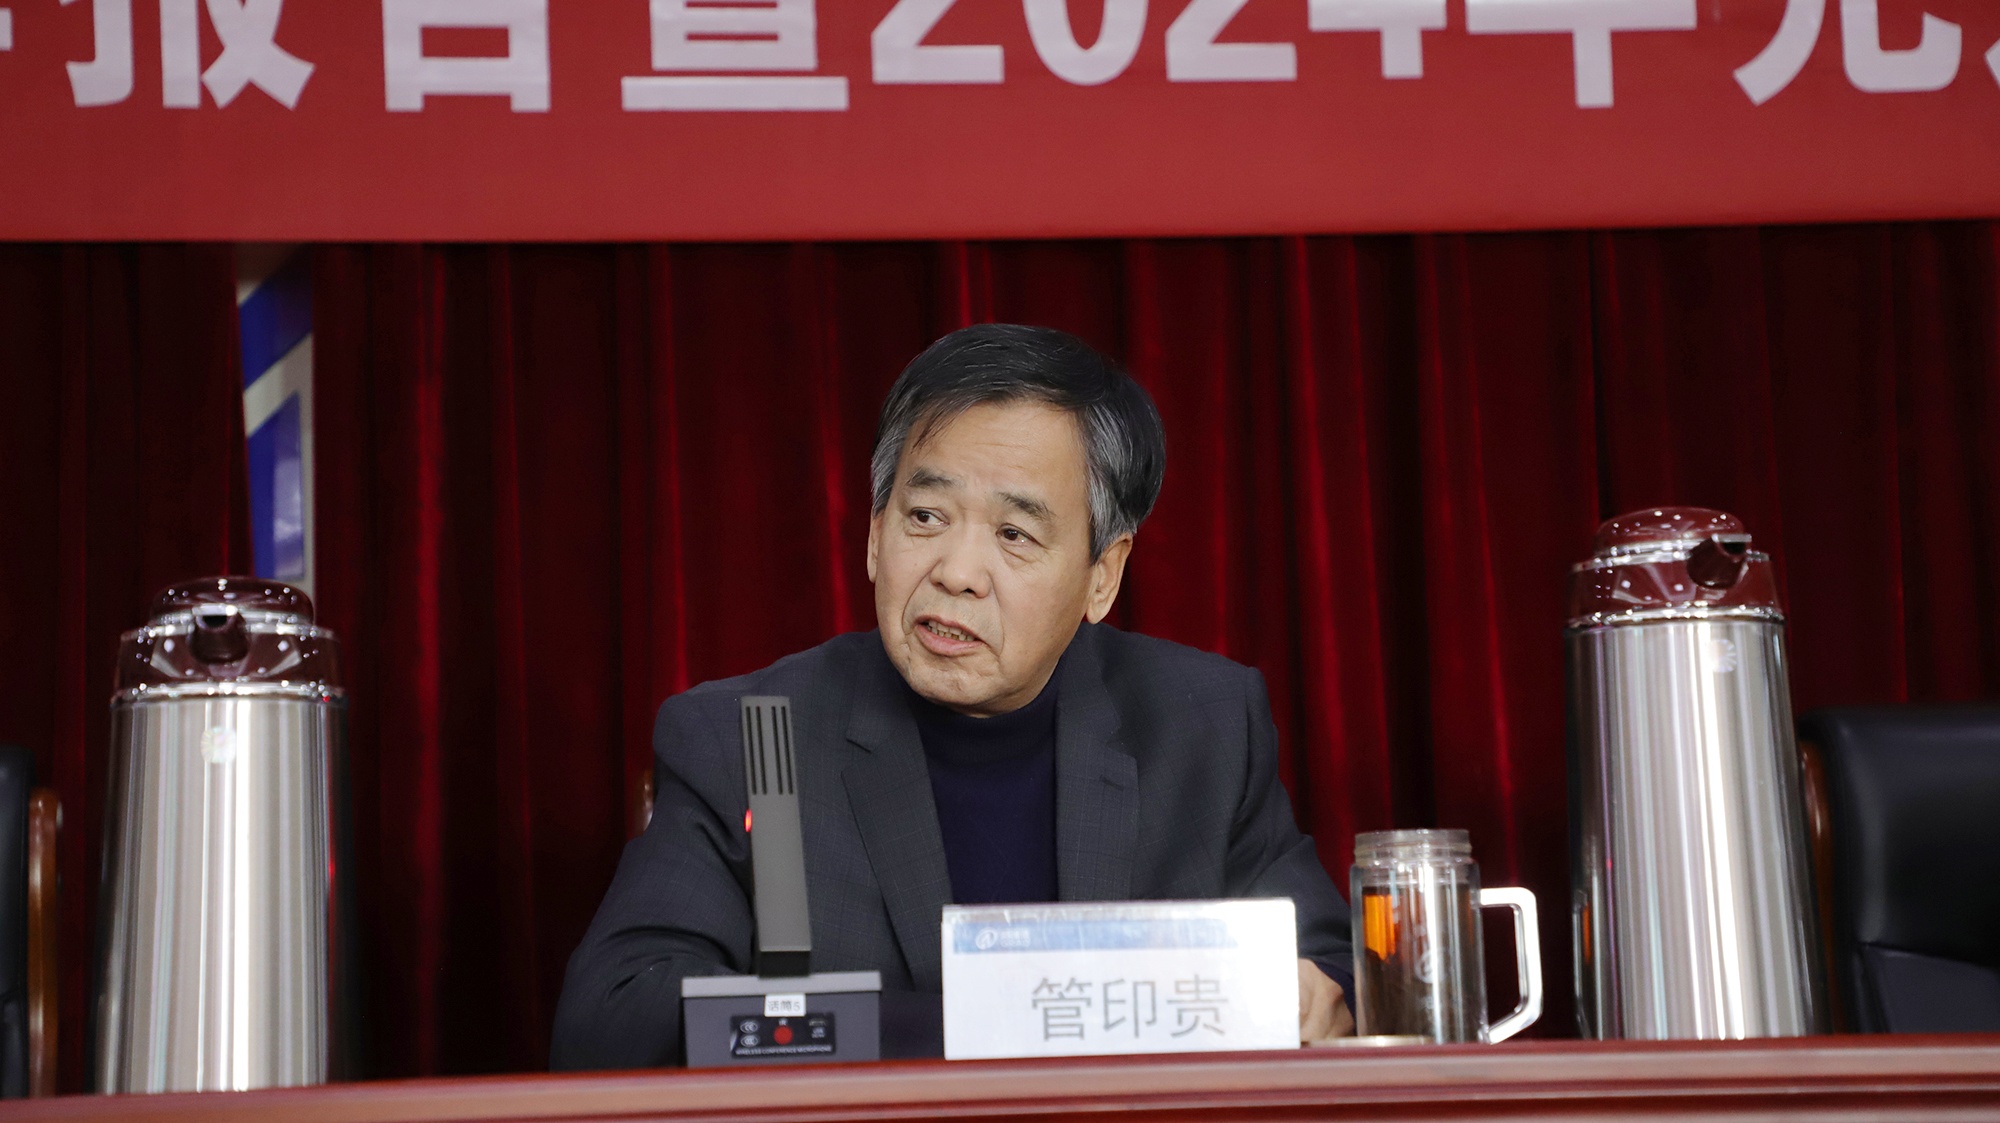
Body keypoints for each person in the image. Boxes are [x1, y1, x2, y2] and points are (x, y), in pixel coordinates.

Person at [551, 324, 1355, 1068]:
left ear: (1101, 576)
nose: (958, 572)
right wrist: (988, 1027)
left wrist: (1316, 995)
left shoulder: (1203, 724)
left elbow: (1330, 970)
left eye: (1014, 534)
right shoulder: (748, 740)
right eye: (927, 515)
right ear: (875, 534)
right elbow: (612, 1018)